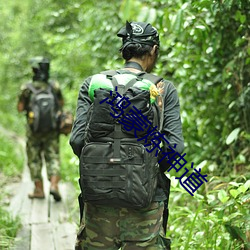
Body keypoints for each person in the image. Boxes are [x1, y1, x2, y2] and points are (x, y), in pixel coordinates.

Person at [70, 21, 184, 249]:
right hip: (146, 208)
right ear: (153, 50)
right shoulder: (163, 89)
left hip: (98, 204)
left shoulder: (93, 84)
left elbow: (77, 140)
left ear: (124, 50)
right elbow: (174, 150)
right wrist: (146, 167)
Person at [17, 57, 64, 202]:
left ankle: (39, 190)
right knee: (53, 157)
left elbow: (19, 108)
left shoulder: (27, 88)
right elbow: (61, 104)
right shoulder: (54, 86)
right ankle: (54, 186)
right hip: (52, 129)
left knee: (34, 159)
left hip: (33, 131)